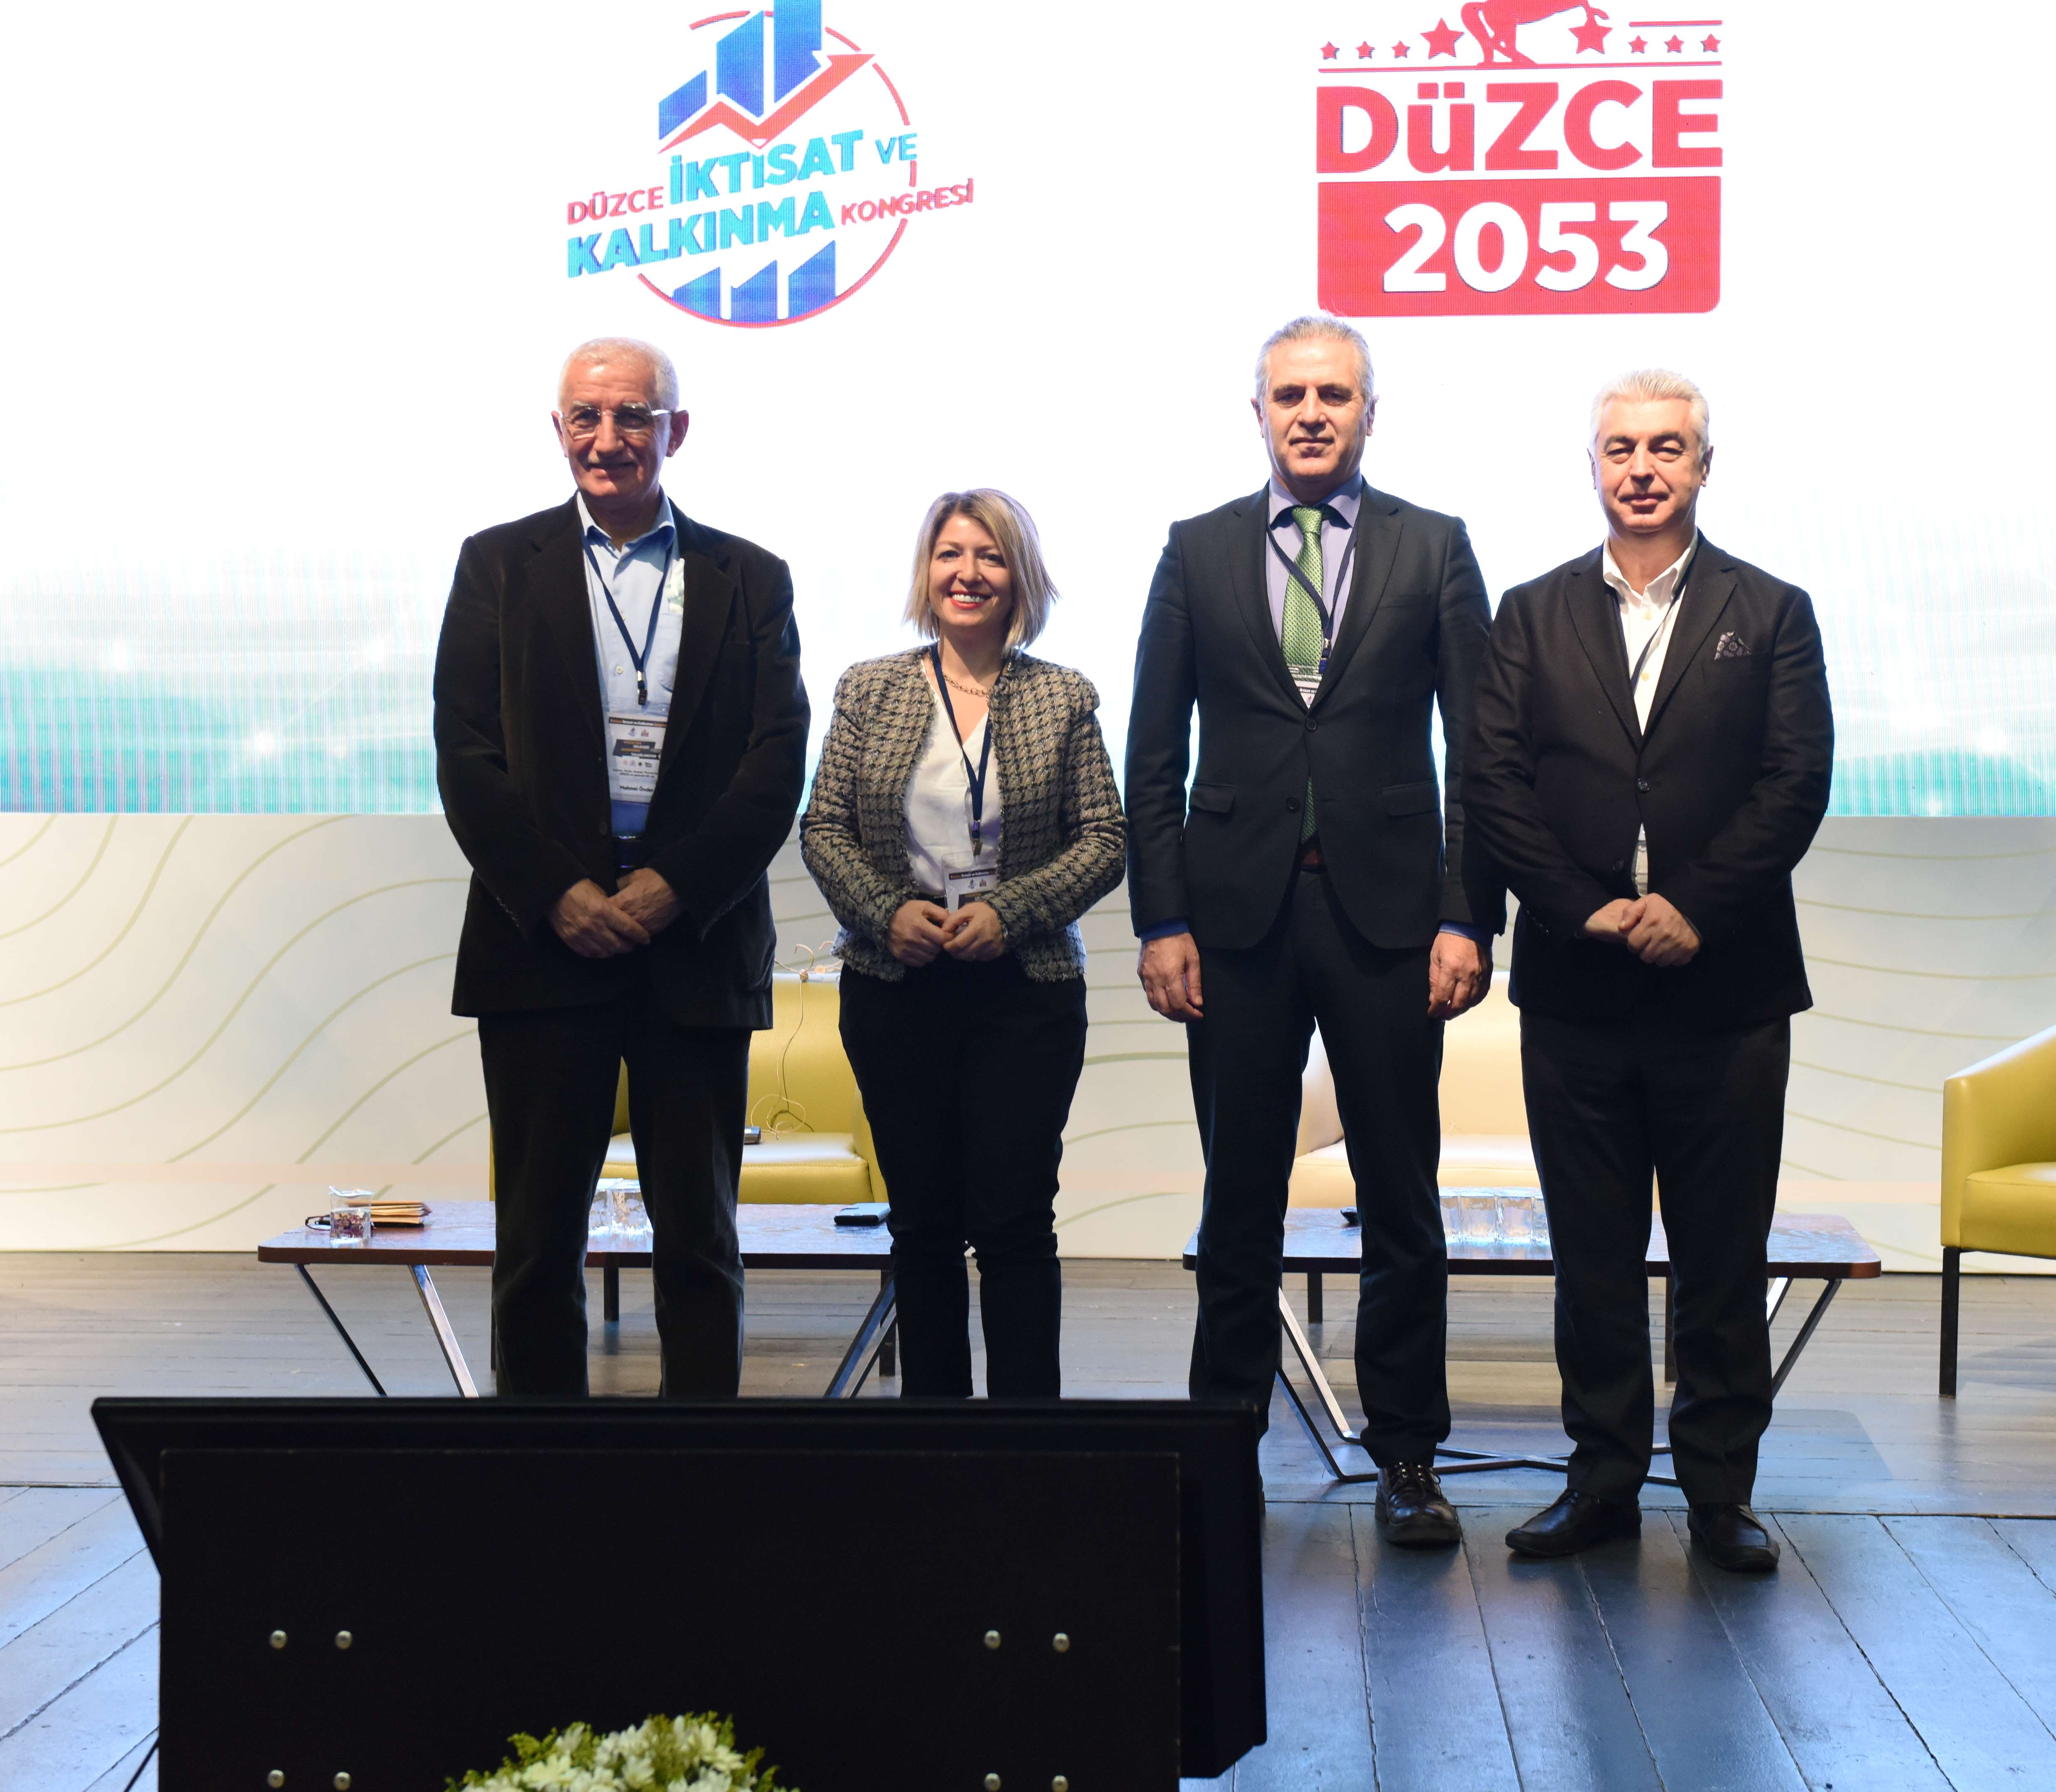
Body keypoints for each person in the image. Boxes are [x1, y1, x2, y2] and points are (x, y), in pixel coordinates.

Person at [1126, 314, 1503, 1546]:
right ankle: (1217, 1451)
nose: (1310, 412)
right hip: (1232, 919)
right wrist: (1161, 916)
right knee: (1237, 1197)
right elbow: (1152, 750)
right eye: (1289, 394)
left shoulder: (1434, 546)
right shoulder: (1194, 549)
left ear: (1368, 413)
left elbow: (1479, 752)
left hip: (1389, 917)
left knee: (1400, 1197)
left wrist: (1467, 913)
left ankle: (1408, 1458)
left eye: (1333, 394)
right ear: (1258, 413)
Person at [1463, 369, 1832, 1569]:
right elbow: (1493, 785)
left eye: (1667, 447)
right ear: (1593, 466)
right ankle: (1602, 1483)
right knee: (1594, 1259)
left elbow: (1794, 784)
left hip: (1726, 988)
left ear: (1702, 467)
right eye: (1620, 447)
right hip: (1578, 986)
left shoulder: (1771, 611)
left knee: (1722, 1257)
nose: (1642, 467)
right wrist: (1583, 909)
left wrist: (1692, 907)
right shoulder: (1529, 613)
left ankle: (1720, 1493)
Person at [433, 335, 809, 1399]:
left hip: (693, 945)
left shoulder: (751, 577)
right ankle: (541, 1472)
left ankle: (701, 1471)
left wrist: (671, 886)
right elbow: (466, 752)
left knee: (700, 1242)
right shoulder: (495, 564)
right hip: (541, 947)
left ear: (673, 430)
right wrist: (559, 893)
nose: (608, 438)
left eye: (633, 415)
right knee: (535, 1243)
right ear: (559, 430)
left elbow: (775, 757)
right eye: (587, 417)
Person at [800, 490, 1125, 1398]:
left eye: (989, 555)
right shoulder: (869, 688)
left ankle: (1028, 1444)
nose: (968, 573)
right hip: (895, 982)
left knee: (1016, 1224)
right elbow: (822, 827)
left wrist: (1010, 911)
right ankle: (934, 1441)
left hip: (1024, 991)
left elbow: (1104, 837)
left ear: (1019, 577)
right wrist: (884, 912)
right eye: (950, 553)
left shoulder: (1062, 695)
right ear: (927, 571)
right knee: (923, 1227)